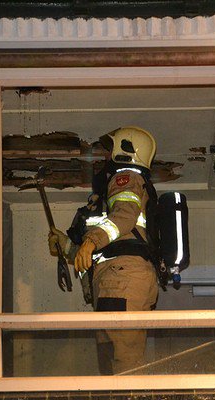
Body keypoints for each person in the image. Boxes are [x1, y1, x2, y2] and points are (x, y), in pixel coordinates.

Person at [48, 126, 159, 375]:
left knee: (121, 363)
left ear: (125, 151)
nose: (106, 156)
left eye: (110, 150)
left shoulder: (126, 177)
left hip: (120, 278)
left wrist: (90, 241)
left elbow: (124, 216)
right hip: (119, 277)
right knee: (113, 362)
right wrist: (68, 246)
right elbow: (110, 245)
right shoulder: (119, 187)